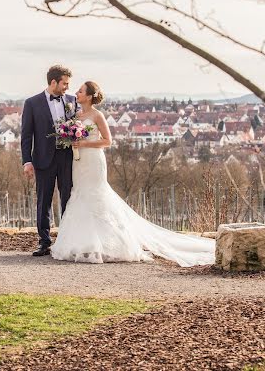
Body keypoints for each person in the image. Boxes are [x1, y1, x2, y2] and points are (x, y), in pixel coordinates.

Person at [51, 81, 215, 267]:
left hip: (93, 160)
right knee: (80, 195)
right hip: (79, 162)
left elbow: (108, 141)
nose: (76, 93)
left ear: (88, 96)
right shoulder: (77, 115)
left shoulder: (97, 115)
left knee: (96, 196)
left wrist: (85, 143)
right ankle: (80, 243)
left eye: (80, 91)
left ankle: (108, 244)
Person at [21, 65, 77, 256]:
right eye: (65, 83)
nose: (67, 88)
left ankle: (67, 240)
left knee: (68, 199)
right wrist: (27, 161)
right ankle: (44, 242)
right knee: (43, 200)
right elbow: (26, 135)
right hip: (43, 159)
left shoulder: (72, 101)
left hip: (67, 158)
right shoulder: (32, 103)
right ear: (53, 82)